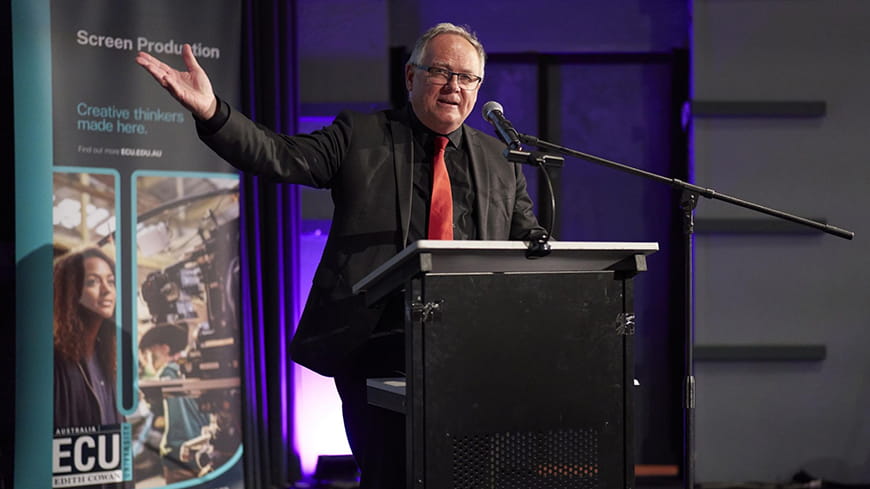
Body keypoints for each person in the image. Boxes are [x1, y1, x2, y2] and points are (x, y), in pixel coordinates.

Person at [137, 22, 544, 488]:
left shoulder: (500, 160)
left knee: (471, 476)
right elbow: (279, 155)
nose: (454, 86)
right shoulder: (362, 134)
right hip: (379, 346)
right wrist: (212, 112)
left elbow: (526, 242)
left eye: (467, 78)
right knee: (393, 475)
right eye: (441, 72)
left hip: (471, 352)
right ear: (411, 78)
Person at [53, 247, 126, 489]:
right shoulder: (55, 361)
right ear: (71, 293)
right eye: (93, 282)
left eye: (111, 281)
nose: (107, 291)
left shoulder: (107, 358)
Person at [139, 324, 211, 484]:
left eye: (150, 354)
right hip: (205, 452)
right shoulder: (196, 371)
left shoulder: (167, 374)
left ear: (164, 349)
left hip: (178, 458)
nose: (147, 361)